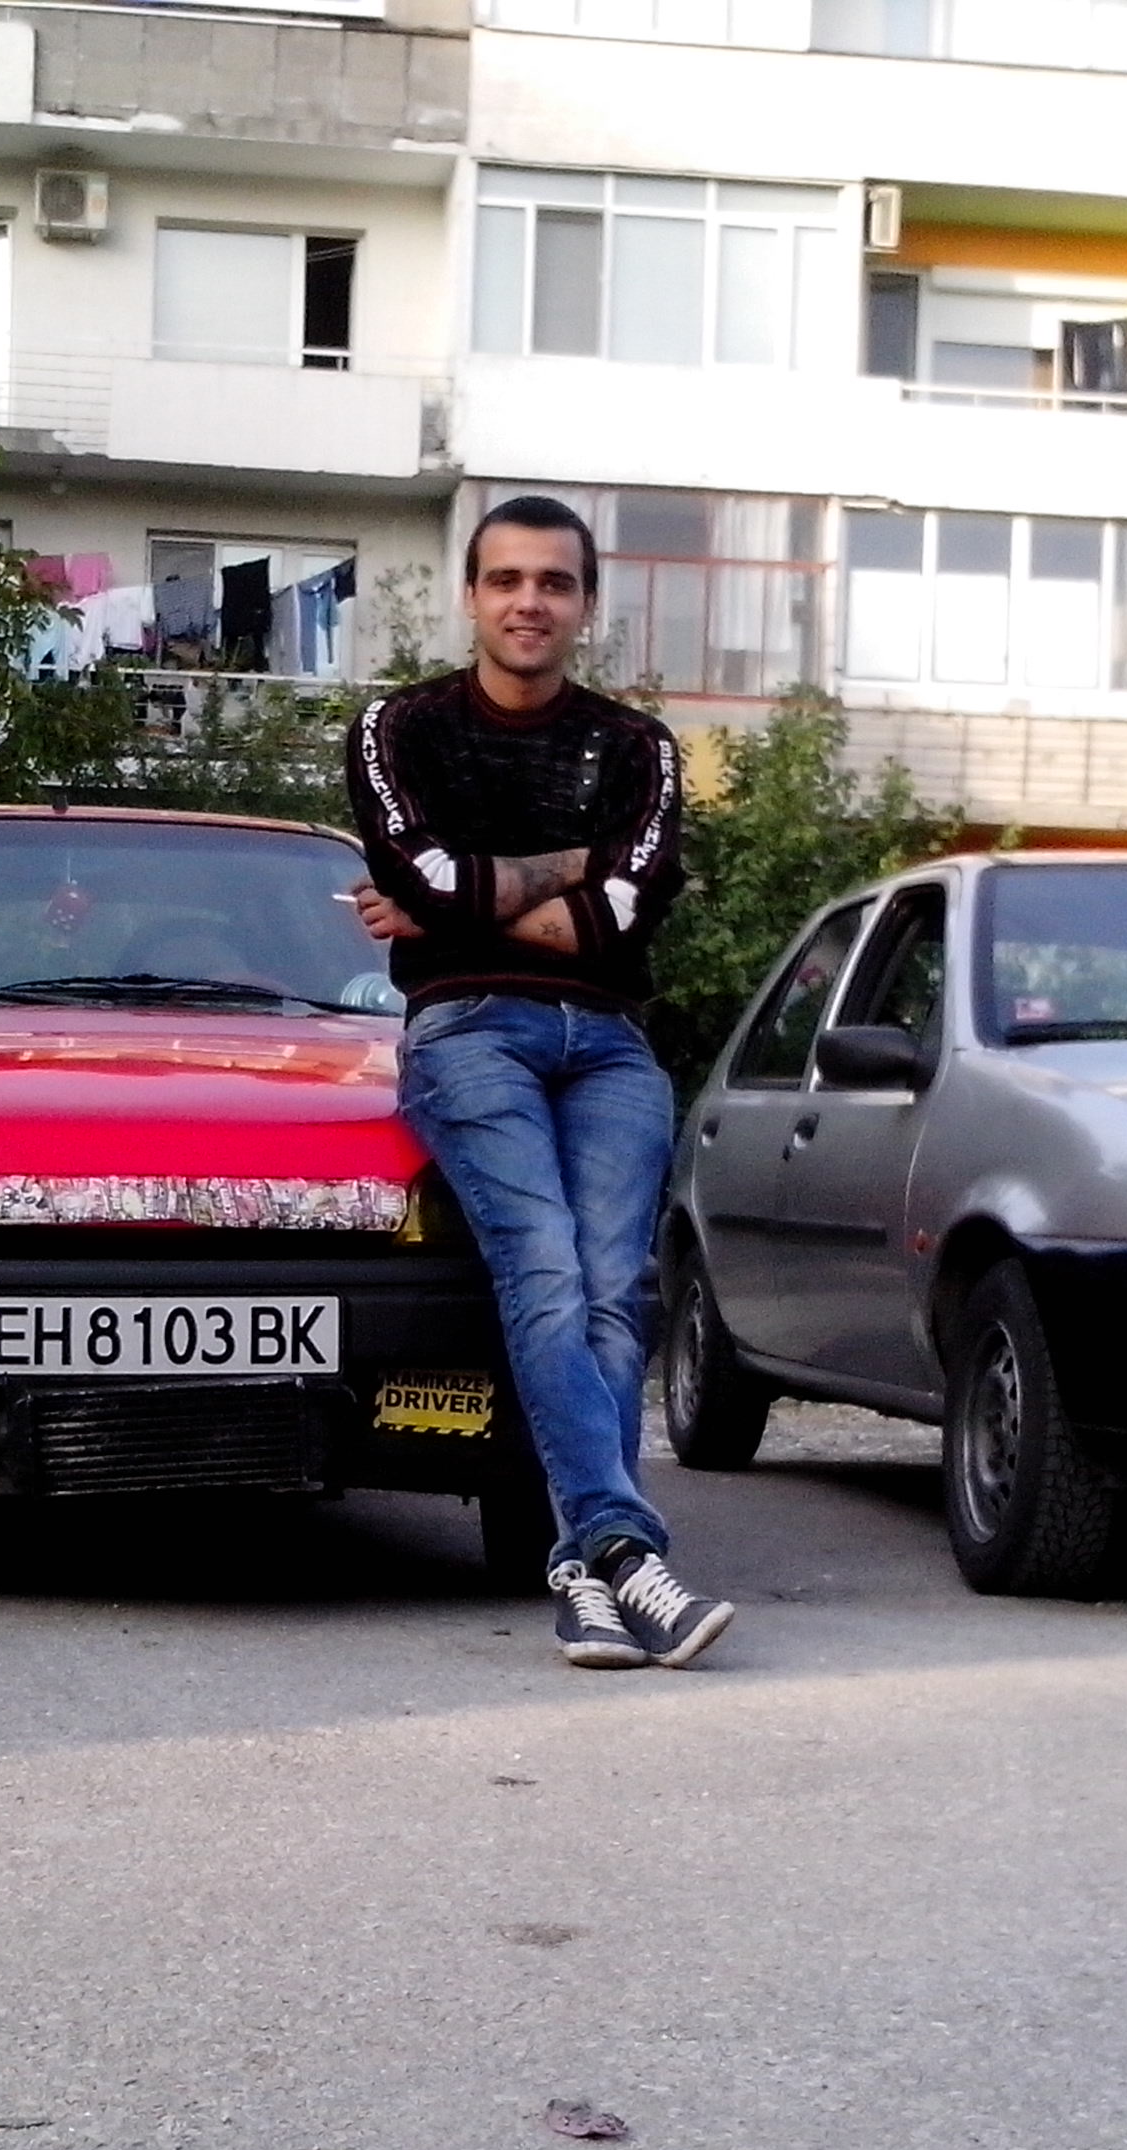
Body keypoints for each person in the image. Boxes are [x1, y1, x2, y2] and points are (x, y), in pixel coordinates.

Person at [346, 495, 736, 1671]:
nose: (530, 602)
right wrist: (561, 871)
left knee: (618, 1292)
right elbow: (430, 878)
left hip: (610, 1043)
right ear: (472, 596)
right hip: (468, 1032)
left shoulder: (638, 748)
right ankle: (623, 1547)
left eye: (554, 583)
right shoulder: (398, 729)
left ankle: (585, 1573)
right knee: (550, 1271)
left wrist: (459, 899)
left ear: (585, 605)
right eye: (507, 580)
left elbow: (615, 920)